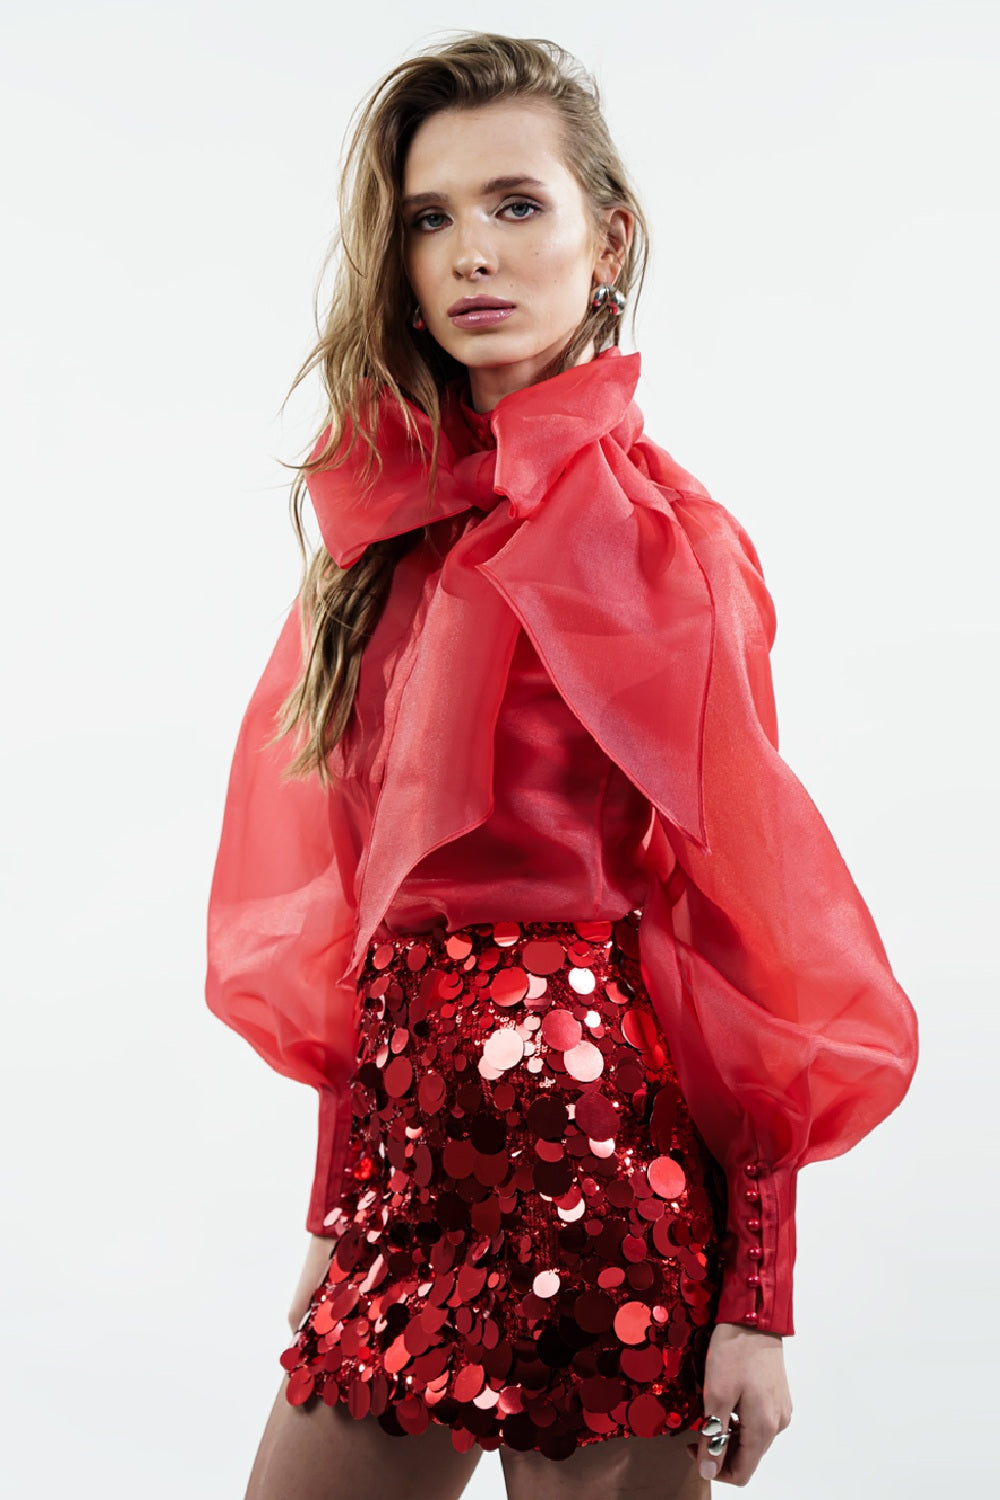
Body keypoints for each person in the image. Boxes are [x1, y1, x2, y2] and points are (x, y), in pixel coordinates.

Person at [205, 31, 918, 1500]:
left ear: (611, 240)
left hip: (601, 1170)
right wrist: (342, 1207)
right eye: (431, 217)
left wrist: (758, 1300)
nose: (472, 251)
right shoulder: (383, 537)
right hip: (408, 1189)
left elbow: (748, 931)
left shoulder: (666, 545)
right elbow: (363, 917)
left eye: (517, 203)